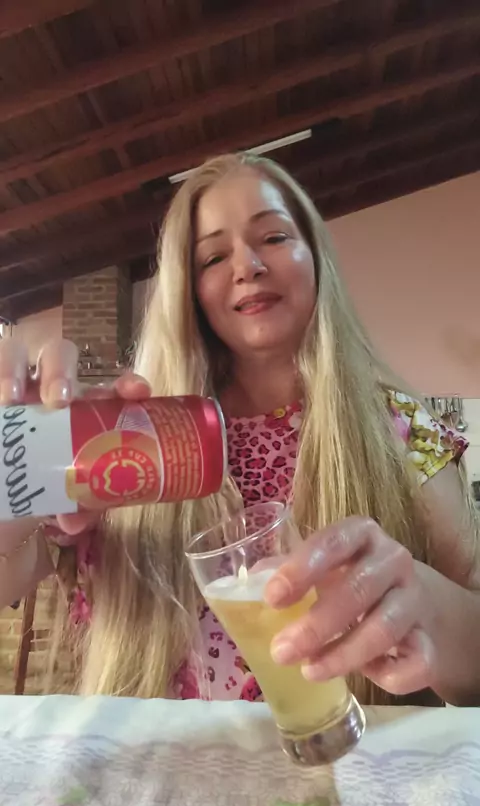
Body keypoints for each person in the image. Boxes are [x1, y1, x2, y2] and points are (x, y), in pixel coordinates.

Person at [0, 152, 479, 708]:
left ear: (316, 257)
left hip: (355, 760)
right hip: (164, 763)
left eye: (273, 237)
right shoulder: (132, 441)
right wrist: (15, 463)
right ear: (187, 289)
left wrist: (426, 609)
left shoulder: (400, 427)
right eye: (213, 257)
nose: (247, 266)